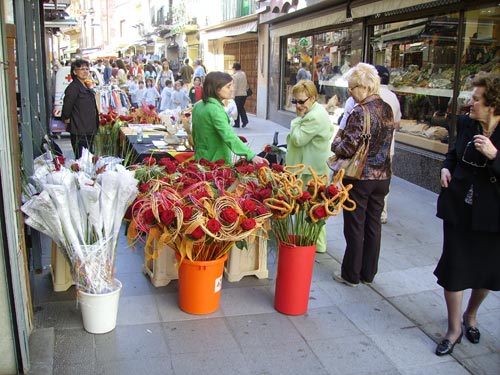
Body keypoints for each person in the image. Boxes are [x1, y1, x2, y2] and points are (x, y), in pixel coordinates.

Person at [433, 74, 500, 356]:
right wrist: (446, 167)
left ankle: (470, 316)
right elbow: (453, 154)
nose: (469, 103)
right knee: (455, 268)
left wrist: (495, 156)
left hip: (491, 216)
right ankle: (453, 329)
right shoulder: (465, 123)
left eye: (476, 99)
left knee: (484, 273)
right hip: (458, 208)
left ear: (493, 105)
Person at [331, 63, 395, 287]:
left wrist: (336, 143)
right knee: (373, 225)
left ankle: (351, 274)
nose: (350, 92)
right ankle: (368, 273)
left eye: (352, 87)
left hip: (360, 177)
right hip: (383, 176)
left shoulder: (360, 111)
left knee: (355, 226)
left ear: (365, 86)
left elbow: (347, 148)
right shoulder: (386, 108)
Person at [286, 79, 334, 253]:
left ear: (313, 98)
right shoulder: (315, 111)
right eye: (295, 101)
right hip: (310, 167)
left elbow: (298, 139)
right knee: (313, 206)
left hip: (312, 169)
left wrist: (296, 121)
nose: (298, 105)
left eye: (301, 101)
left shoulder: (313, 116)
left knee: (313, 207)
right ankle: (312, 241)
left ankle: (316, 244)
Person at [191, 71, 268, 165]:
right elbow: (228, 135)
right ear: (217, 89)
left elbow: (194, 135)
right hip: (215, 162)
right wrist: (250, 155)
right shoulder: (215, 110)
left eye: (232, 85)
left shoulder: (198, 105)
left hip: (200, 157)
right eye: (228, 86)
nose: (232, 89)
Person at [375, 65, 402, 224]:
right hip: (388, 147)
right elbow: (397, 123)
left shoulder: (370, 95)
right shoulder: (393, 97)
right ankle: (382, 213)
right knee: (384, 180)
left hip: (370, 148)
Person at [61, 59, 99, 159]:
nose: (85, 71)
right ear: (74, 72)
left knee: (89, 158)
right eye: (82, 69)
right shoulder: (73, 87)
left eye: (87, 69)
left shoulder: (85, 85)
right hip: (80, 130)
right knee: (82, 159)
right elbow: (67, 107)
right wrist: (67, 119)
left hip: (89, 129)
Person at [232, 62, 249, 128]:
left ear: (234, 68)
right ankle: (245, 121)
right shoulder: (243, 74)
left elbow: (235, 87)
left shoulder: (235, 76)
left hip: (238, 95)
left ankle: (237, 124)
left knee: (236, 109)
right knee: (241, 108)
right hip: (244, 94)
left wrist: (233, 96)